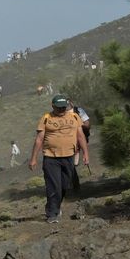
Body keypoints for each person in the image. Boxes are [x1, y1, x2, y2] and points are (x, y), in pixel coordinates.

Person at [29, 95, 89, 223]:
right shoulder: (46, 118)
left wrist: (86, 154)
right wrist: (33, 158)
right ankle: (52, 213)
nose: (62, 110)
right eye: (59, 108)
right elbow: (39, 139)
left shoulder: (74, 117)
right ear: (53, 106)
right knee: (53, 186)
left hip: (69, 156)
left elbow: (81, 136)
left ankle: (55, 206)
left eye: (64, 107)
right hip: (51, 158)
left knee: (64, 186)